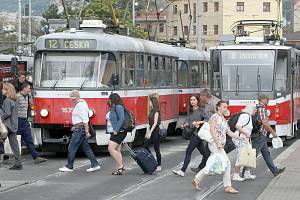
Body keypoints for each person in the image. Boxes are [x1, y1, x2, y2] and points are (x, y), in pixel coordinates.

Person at [192, 100, 239, 194]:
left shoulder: (223, 119)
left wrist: (237, 135)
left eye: (227, 107)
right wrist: (217, 142)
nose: (226, 109)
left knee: (212, 164)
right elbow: (212, 130)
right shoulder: (215, 117)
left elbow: (228, 132)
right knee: (227, 162)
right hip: (215, 144)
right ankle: (228, 186)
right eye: (224, 107)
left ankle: (196, 179)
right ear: (218, 107)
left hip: (219, 145)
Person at [244, 95, 285, 177]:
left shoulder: (257, 107)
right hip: (260, 134)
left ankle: (274, 170)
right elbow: (264, 123)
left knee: (266, 153)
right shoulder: (262, 108)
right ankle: (243, 172)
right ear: (262, 100)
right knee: (253, 154)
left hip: (259, 134)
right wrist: (273, 132)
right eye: (267, 99)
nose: (268, 101)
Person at [59, 90, 100, 172]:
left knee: (71, 147)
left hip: (80, 129)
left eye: (73, 98)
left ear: (77, 97)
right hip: (80, 128)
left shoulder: (80, 105)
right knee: (86, 148)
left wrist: (87, 131)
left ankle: (69, 166)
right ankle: (95, 164)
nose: (72, 100)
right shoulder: (81, 104)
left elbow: (85, 119)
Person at [173, 95, 210, 177]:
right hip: (193, 133)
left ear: (197, 101)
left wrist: (198, 122)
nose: (192, 101)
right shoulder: (190, 110)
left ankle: (182, 171)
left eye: (194, 100)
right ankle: (208, 168)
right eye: (191, 100)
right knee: (205, 154)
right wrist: (184, 125)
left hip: (198, 134)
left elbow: (207, 119)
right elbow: (188, 120)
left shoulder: (201, 110)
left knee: (188, 151)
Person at [16, 83, 47, 164]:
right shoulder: (17, 97)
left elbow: (31, 106)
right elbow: (13, 109)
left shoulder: (28, 96)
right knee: (13, 139)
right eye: (29, 88)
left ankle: (36, 157)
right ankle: (6, 156)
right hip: (17, 120)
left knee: (28, 139)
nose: (30, 89)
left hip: (24, 120)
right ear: (24, 88)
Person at [191, 89, 218, 173]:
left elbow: (217, 117)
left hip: (215, 131)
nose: (200, 97)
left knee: (210, 150)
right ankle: (204, 167)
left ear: (205, 96)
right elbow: (208, 118)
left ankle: (206, 168)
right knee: (208, 150)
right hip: (209, 130)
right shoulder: (206, 104)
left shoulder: (214, 103)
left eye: (201, 96)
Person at [0, 82, 22, 170]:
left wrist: (1, 117)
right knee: (14, 145)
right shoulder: (14, 100)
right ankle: (18, 163)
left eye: (3, 88)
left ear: (7, 90)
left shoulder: (7, 100)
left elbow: (7, 113)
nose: (1, 90)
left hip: (6, 126)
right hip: (13, 125)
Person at [232, 104, 257, 181]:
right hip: (240, 138)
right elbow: (237, 126)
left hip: (245, 138)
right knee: (240, 155)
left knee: (249, 154)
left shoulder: (248, 116)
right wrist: (246, 133)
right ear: (251, 109)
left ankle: (247, 173)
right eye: (255, 109)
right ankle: (235, 175)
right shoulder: (245, 116)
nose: (256, 111)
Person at [107, 93, 127, 175]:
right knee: (117, 150)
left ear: (113, 99)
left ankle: (120, 166)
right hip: (116, 131)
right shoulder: (114, 107)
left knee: (111, 148)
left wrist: (116, 129)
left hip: (119, 132)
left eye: (109, 99)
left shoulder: (118, 107)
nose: (108, 100)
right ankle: (120, 168)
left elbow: (122, 118)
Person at [144, 95, 162, 172]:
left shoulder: (156, 111)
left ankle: (159, 165)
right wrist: (147, 132)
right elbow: (149, 123)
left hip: (155, 130)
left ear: (153, 102)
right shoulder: (151, 110)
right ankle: (152, 160)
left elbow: (155, 123)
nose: (149, 103)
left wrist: (150, 132)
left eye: (150, 102)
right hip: (151, 129)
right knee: (145, 147)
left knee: (156, 148)